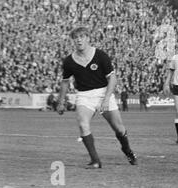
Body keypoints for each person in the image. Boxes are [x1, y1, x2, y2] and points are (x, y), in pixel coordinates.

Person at [56, 26, 137, 169]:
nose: (79, 40)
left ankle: (127, 150)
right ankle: (95, 160)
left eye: (81, 36)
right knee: (82, 124)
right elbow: (64, 82)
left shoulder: (100, 55)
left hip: (103, 93)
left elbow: (112, 78)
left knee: (119, 129)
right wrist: (60, 102)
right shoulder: (69, 61)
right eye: (76, 37)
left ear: (88, 38)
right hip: (84, 95)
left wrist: (106, 99)